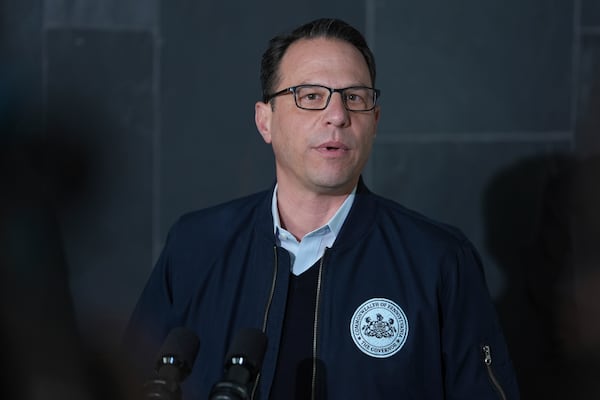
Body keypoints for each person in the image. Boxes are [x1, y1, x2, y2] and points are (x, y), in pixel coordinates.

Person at [123, 18, 520, 399]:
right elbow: (125, 384)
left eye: (355, 98)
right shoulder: (195, 247)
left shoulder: (439, 260)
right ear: (266, 121)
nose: (337, 115)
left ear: (375, 121)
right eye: (311, 96)